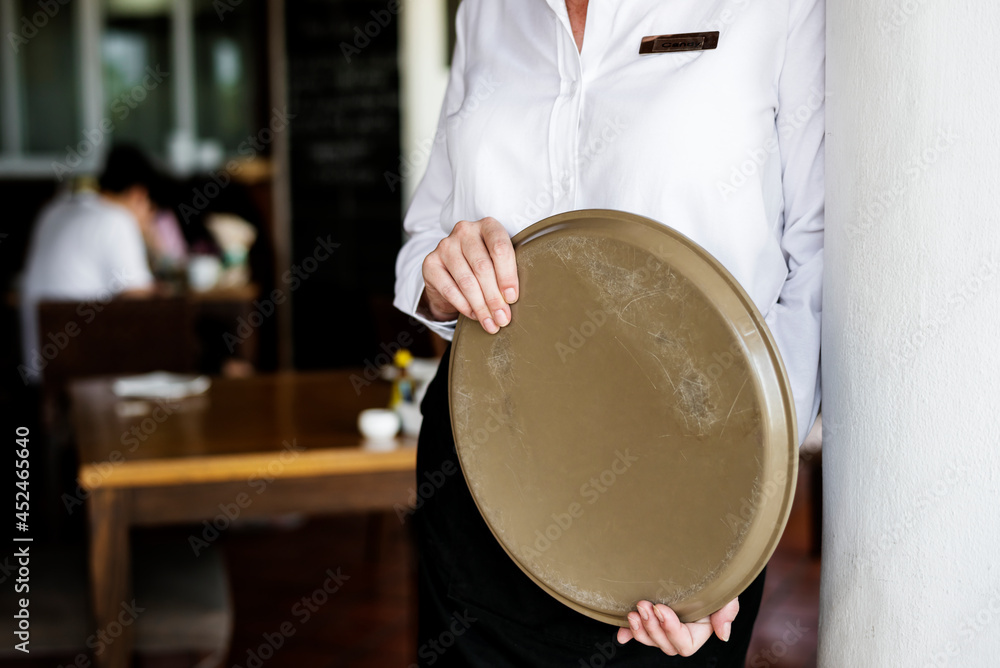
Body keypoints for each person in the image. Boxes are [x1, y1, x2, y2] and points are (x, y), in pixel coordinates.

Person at [394, 0, 824, 664]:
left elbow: (816, 271)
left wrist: (740, 515)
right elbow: (426, 236)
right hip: (485, 476)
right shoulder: (487, 9)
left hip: (680, 494)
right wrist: (444, 272)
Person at [19, 145, 161, 384]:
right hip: (87, 371)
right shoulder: (117, 219)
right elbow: (140, 303)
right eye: (151, 209)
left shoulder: (53, 210)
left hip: (38, 368)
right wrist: (151, 240)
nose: (150, 216)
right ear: (138, 195)